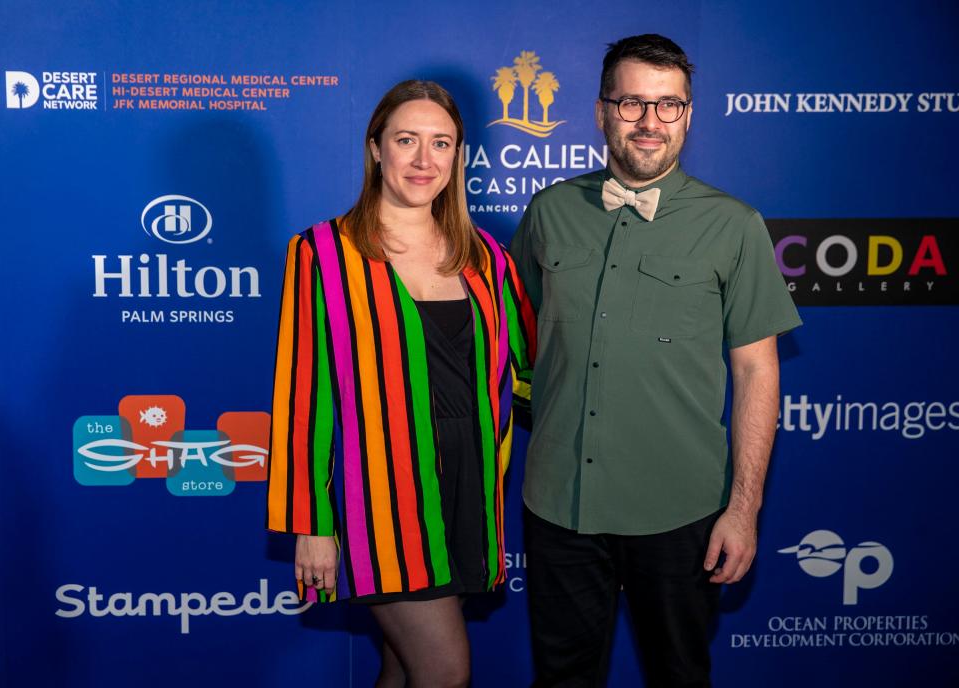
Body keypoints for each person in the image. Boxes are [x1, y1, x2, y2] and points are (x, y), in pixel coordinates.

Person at [510, 34, 802, 687]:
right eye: (632, 102)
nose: (649, 122)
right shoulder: (549, 212)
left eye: (668, 106)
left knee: (679, 676)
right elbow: (515, 339)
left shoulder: (734, 225)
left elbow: (758, 371)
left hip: (681, 514)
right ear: (600, 111)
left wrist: (743, 508)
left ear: (689, 115)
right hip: (560, 506)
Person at [266, 80, 536, 687]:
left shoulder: (486, 256)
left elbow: (528, 371)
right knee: (444, 672)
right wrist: (313, 524)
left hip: (470, 490)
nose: (423, 160)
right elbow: (304, 395)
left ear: (457, 157)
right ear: (375, 149)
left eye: (440, 143)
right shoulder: (323, 254)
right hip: (381, 501)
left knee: (404, 665)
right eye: (406, 140)